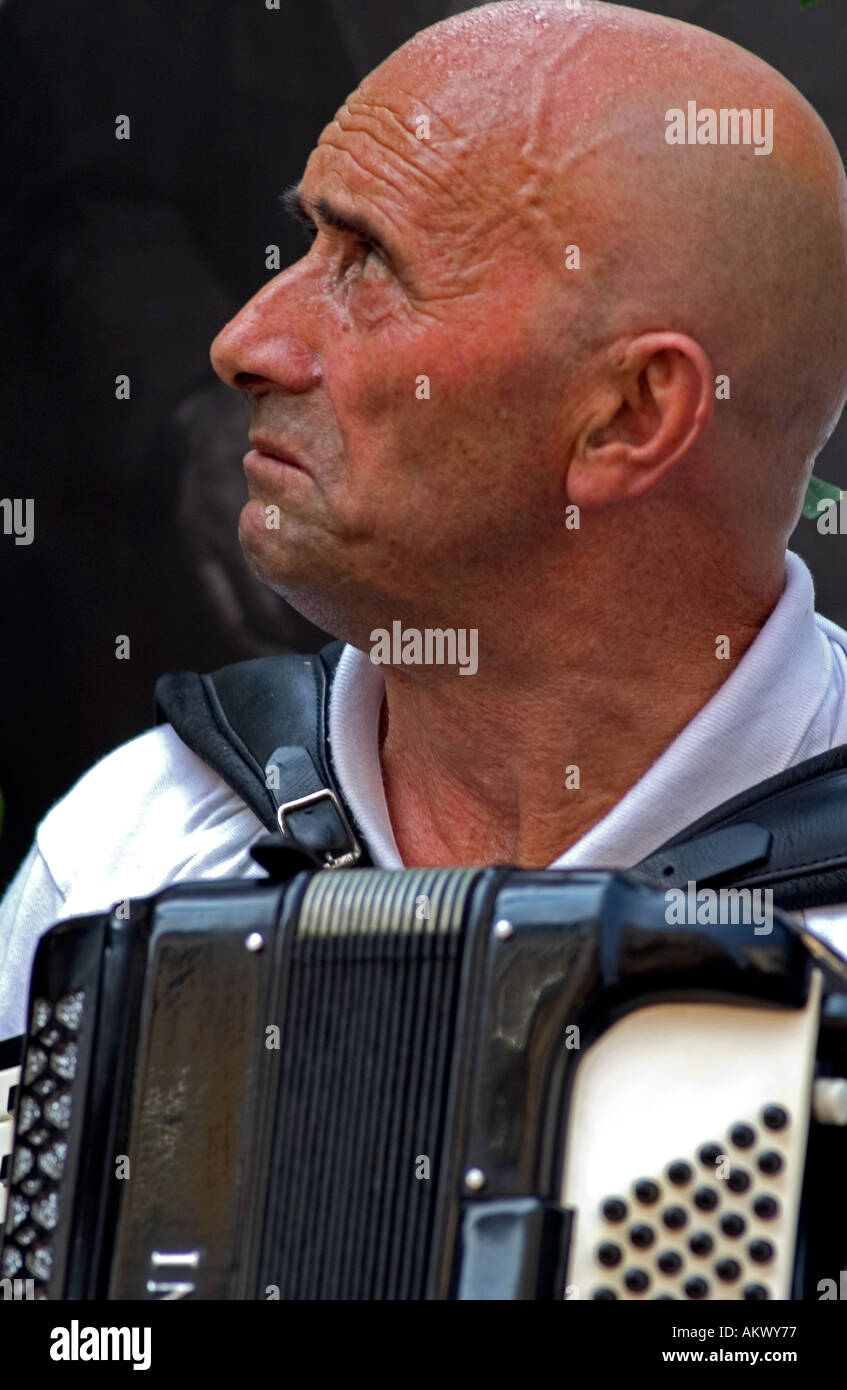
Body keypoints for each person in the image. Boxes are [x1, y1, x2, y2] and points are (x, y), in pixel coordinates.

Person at [2, 0, 847, 1042]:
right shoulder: (132, 849)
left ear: (630, 414)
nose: (243, 343)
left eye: (367, 264)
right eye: (307, 240)